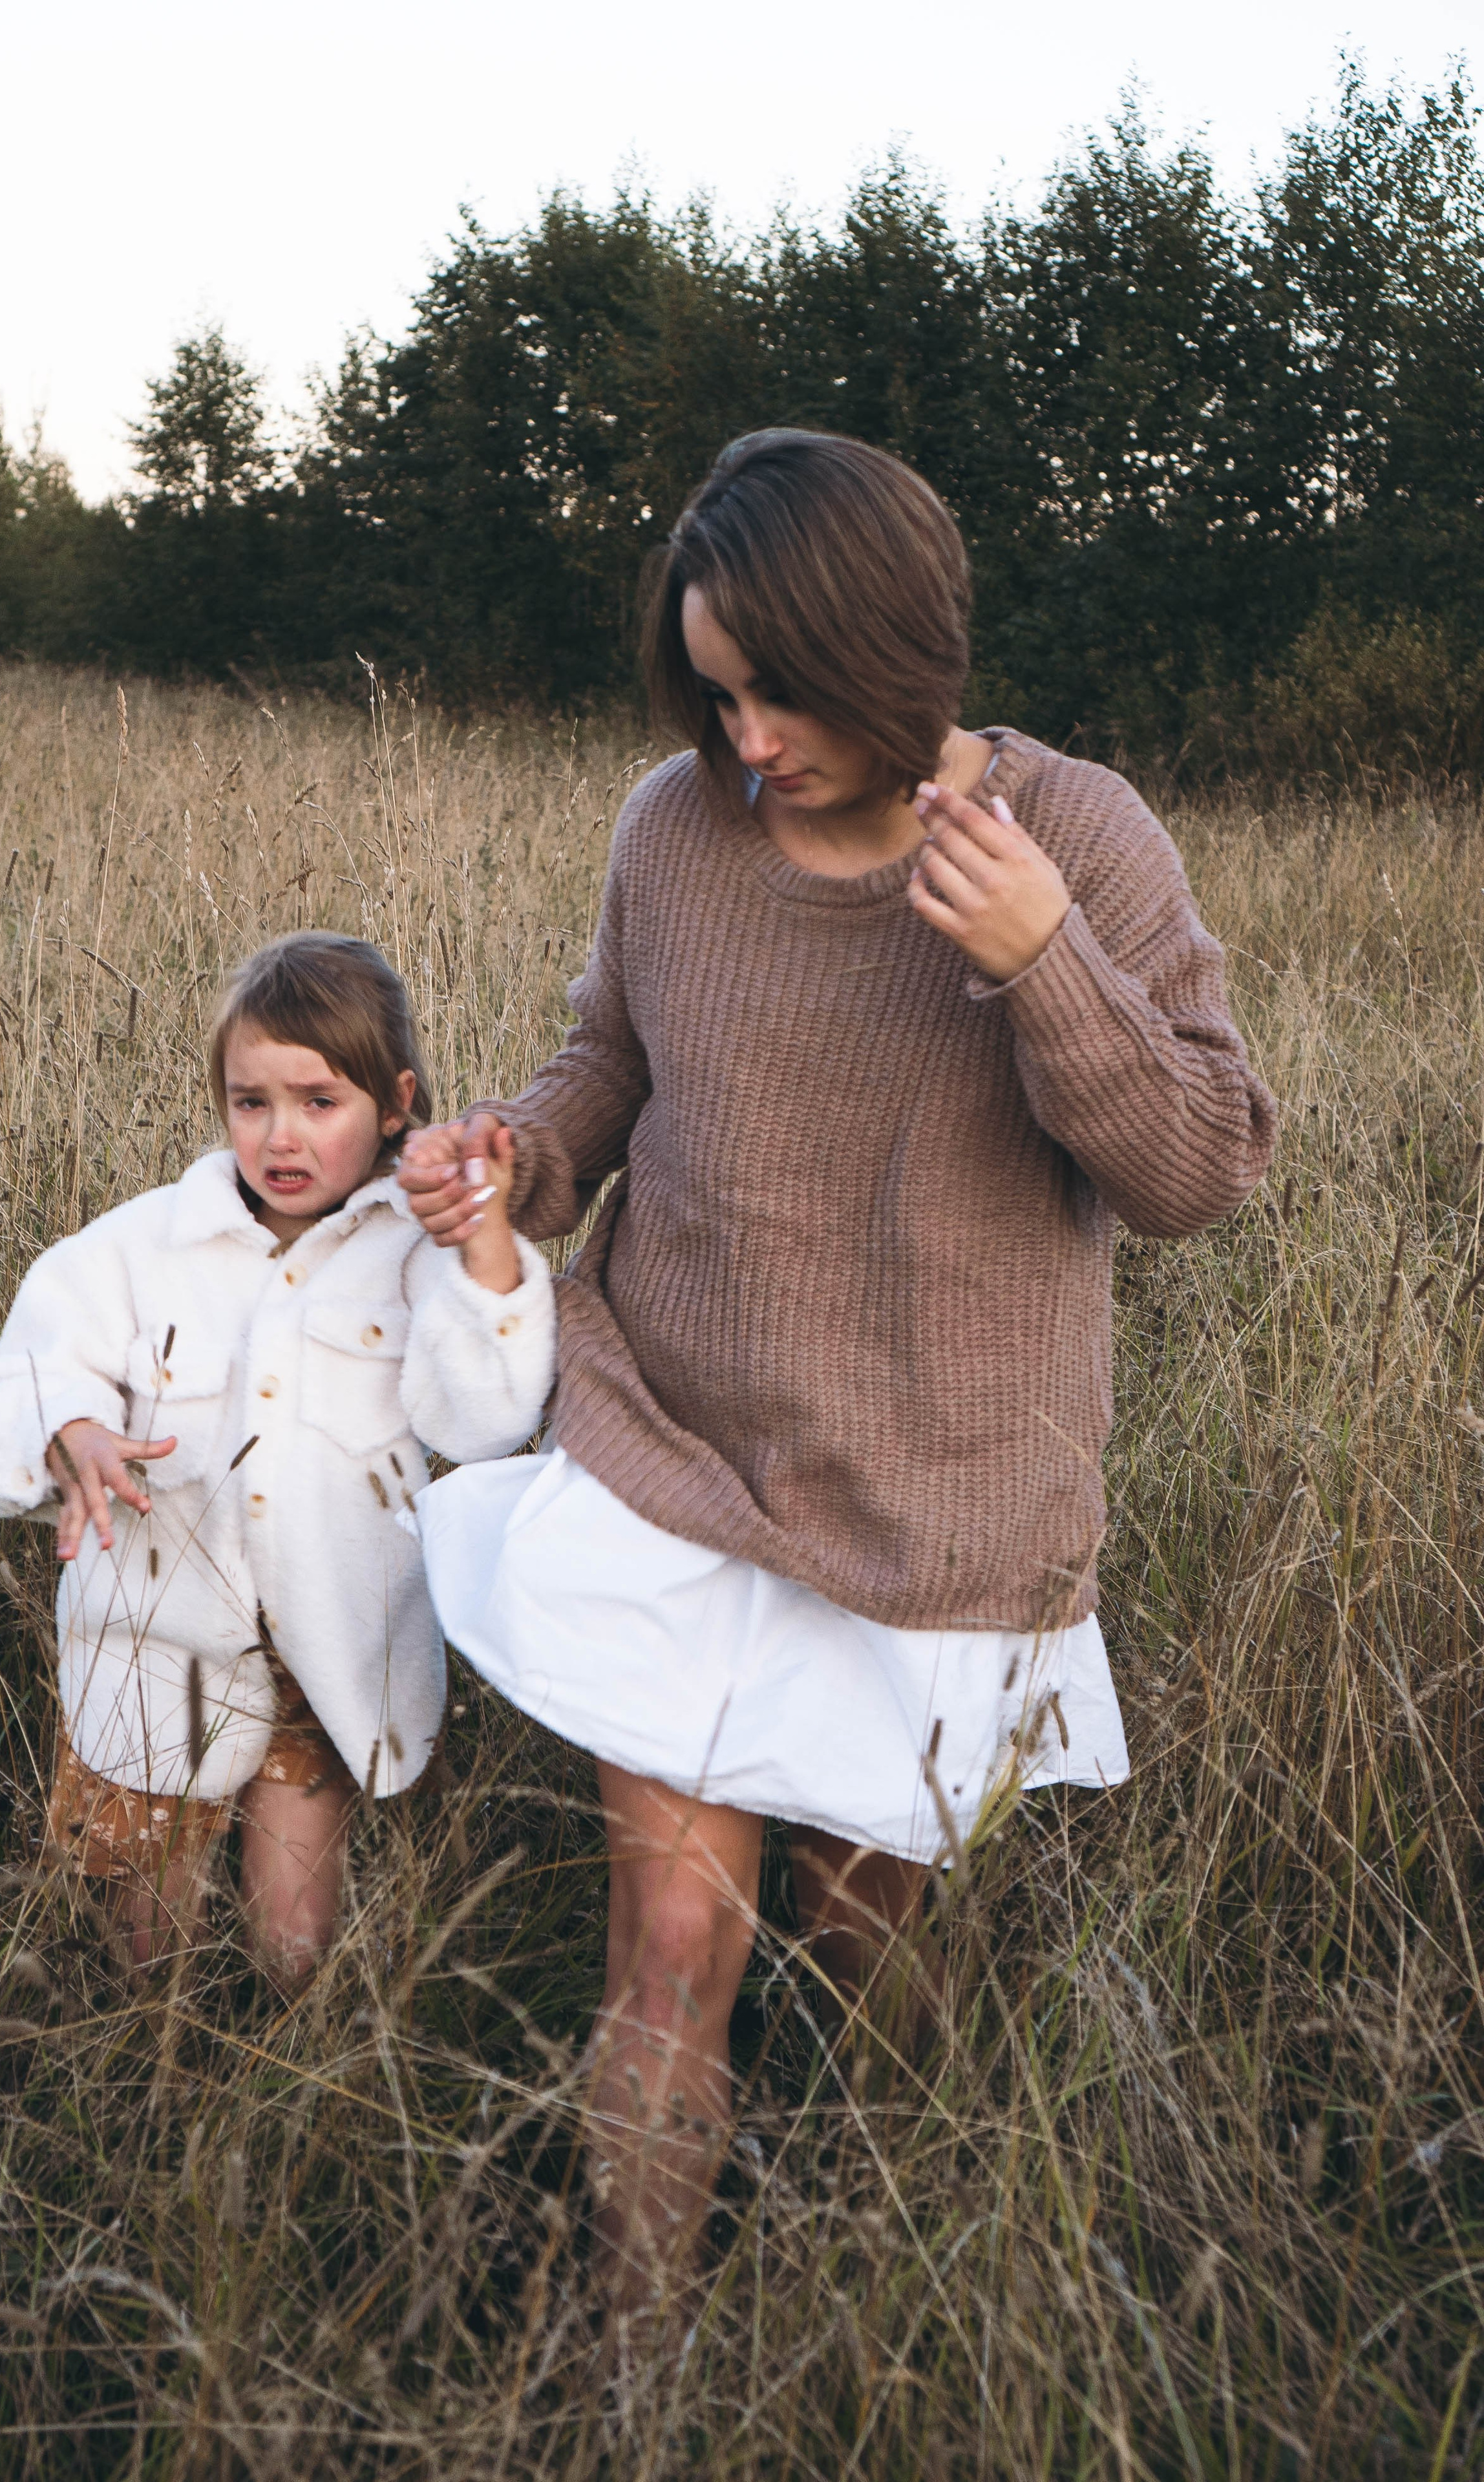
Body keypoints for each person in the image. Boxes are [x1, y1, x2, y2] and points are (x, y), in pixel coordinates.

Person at [398, 428, 1277, 2300]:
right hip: (678, 1461)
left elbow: (1200, 1169)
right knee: (667, 1943)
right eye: (715, 697)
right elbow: (610, 1068)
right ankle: (640, 2365)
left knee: (870, 1938)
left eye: (779, 695)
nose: (747, 744)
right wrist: (518, 1161)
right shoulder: (675, 829)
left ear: (900, 652)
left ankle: (882, 2326)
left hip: (939, 1513)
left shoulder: (1082, 838)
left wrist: (1047, 961)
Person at [0, 931, 555, 1985]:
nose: (282, 1135)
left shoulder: (415, 1256)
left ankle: (288, 2078)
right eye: (250, 1101)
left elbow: (487, 1417)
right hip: (153, 1652)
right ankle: (152, 2072)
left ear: (396, 1101)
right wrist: (68, 1431)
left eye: (321, 1102)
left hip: (331, 1654)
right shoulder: (140, 1248)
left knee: (296, 1945)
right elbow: (1, 1383)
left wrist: (488, 1246)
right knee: (146, 1942)